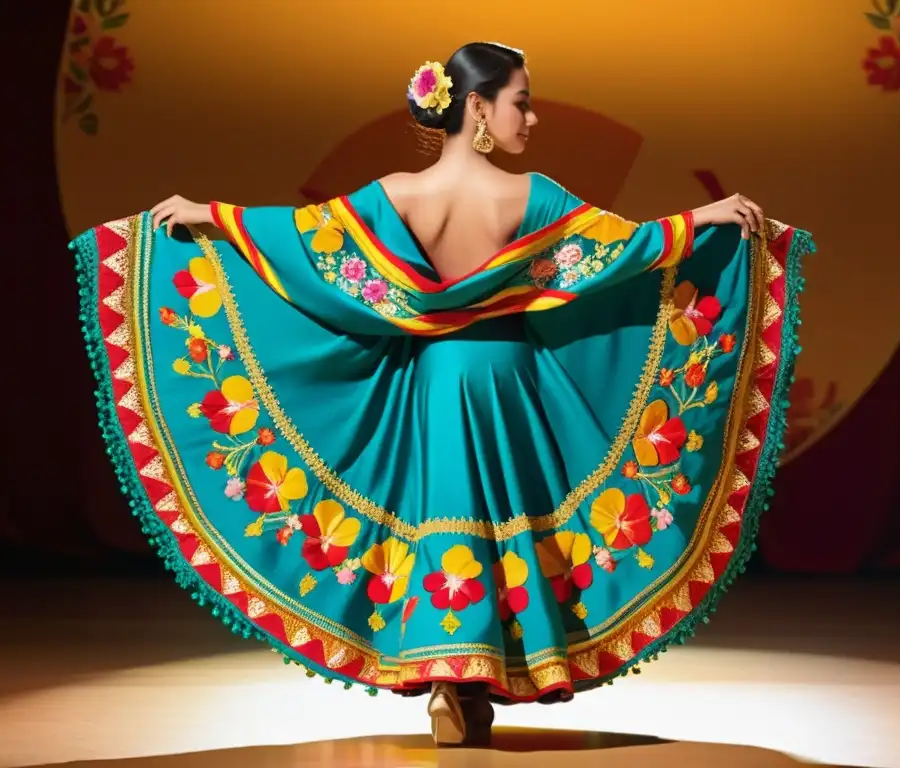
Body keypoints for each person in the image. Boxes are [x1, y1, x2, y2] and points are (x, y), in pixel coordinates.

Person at [70, 42, 814, 747]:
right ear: (479, 109)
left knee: (443, 514)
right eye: (522, 102)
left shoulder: (396, 195)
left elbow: (306, 245)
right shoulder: (534, 197)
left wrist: (216, 218)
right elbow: (624, 252)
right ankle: (482, 678)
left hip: (433, 378)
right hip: (504, 377)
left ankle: (447, 677)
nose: (532, 118)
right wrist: (699, 225)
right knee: (502, 518)